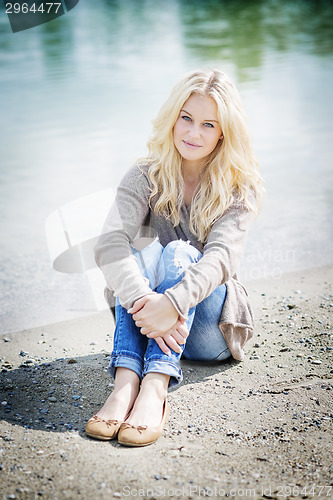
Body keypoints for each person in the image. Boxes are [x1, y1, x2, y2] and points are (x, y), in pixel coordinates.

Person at [85, 69, 264, 447]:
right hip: (151, 318)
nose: (193, 133)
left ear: (223, 133)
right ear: (173, 117)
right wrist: (145, 300)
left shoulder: (238, 186)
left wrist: (173, 303)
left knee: (181, 252)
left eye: (208, 124)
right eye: (186, 118)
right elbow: (108, 244)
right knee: (138, 251)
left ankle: (154, 386)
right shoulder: (145, 174)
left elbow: (220, 259)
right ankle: (125, 384)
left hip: (209, 332)